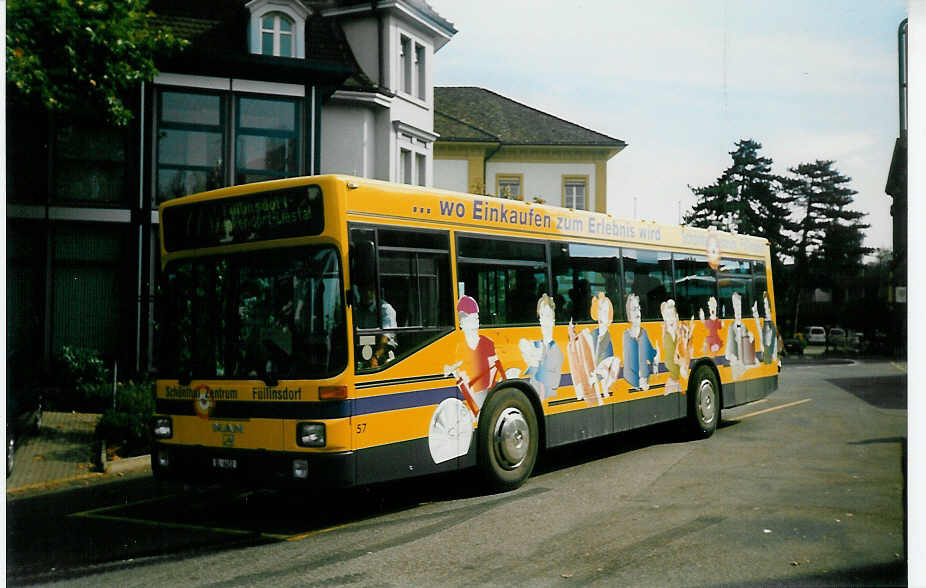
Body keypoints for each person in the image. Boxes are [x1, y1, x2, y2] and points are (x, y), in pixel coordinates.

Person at [444, 295, 504, 414]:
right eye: (471, 319)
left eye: (476, 318)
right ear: (461, 324)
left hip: (487, 394)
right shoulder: (459, 348)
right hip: (471, 398)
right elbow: (453, 368)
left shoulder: (487, 343)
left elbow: (497, 371)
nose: (476, 323)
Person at [519, 294, 565, 402]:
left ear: (553, 320)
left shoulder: (556, 350)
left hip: (547, 400)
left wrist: (536, 361)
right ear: (540, 320)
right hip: (534, 399)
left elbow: (554, 382)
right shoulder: (537, 345)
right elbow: (523, 346)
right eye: (542, 316)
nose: (545, 321)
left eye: (548, 316)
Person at [622, 293, 659, 391]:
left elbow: (652, 354)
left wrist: (655, 359)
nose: (638, 312)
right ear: (629, 316)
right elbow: (627, 370)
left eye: (638, 308)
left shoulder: (643, 333)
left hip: (644, 382)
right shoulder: (626, 336)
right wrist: (638, 382)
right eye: (634, 309)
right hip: (636, 383)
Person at [725, 292, 757, 379]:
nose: (738, 309)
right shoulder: (731, 327)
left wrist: (750, 336)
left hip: (745, 362)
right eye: (736, 306)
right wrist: (733, 358)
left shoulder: (743, 325)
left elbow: (748, 339)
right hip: (737, 365)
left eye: (740, 306)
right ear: (733, 307)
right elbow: (728, 353)